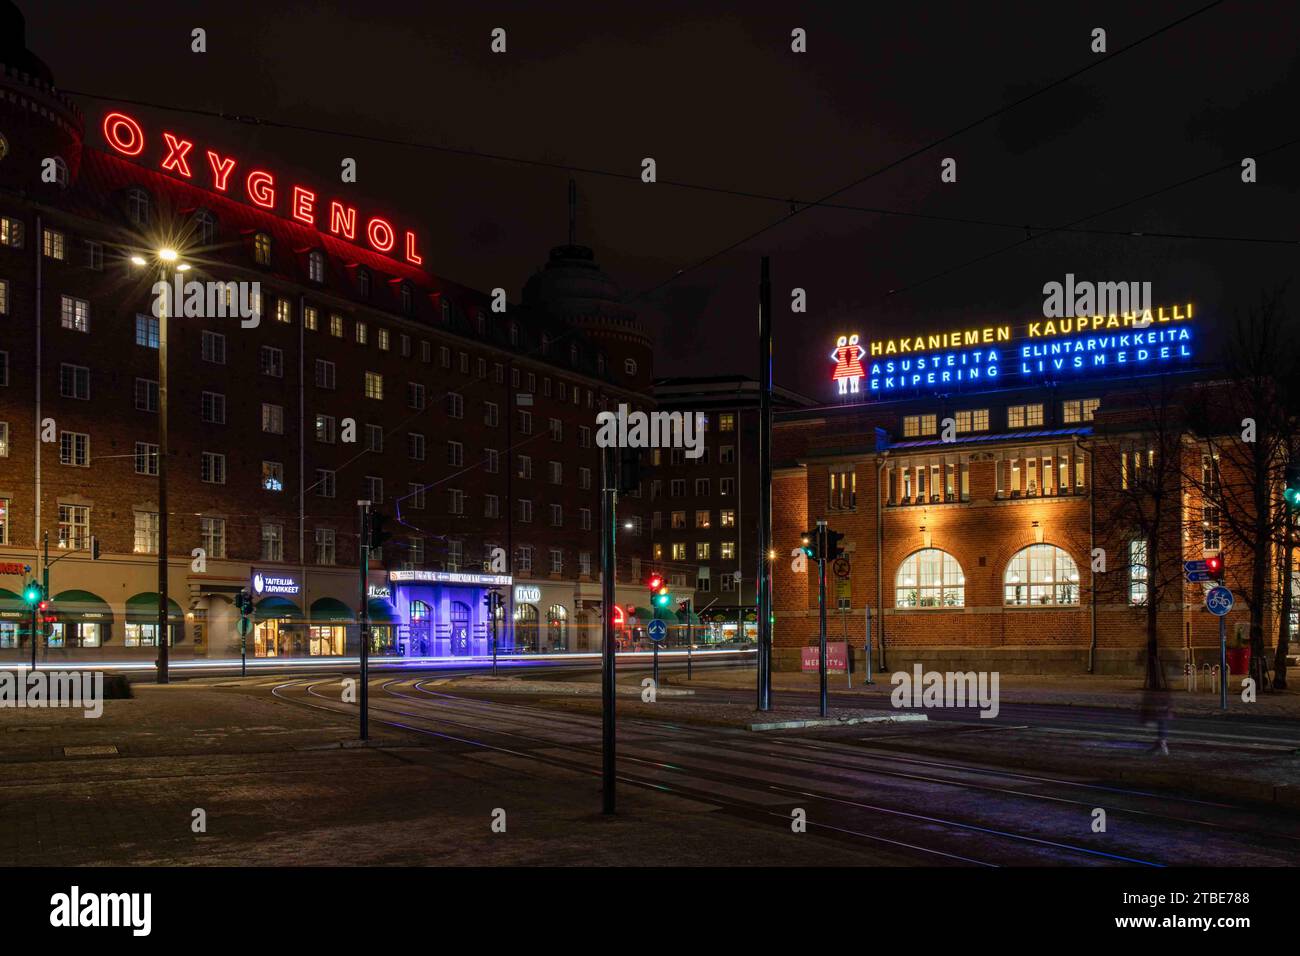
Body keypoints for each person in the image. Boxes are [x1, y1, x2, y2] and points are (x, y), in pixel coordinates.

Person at [1139, 683, 1172, 755]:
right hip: (1160, 716)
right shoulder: (1158, 697)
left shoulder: (1159, 697)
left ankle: (1161, 744)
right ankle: (1160, 745)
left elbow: (1166, 706)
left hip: (1161, 716)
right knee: (1161, 727)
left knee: (1162, 726)